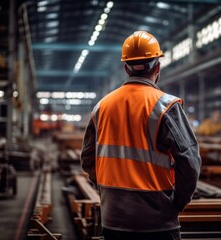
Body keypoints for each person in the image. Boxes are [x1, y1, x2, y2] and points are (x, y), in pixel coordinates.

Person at [81, 30, 201, 240]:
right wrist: (178, 202)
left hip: (113, 219)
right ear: (157, 66)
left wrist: (108, 195)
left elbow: (88, 160)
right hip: (157, 223)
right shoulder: (166, 106)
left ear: (126, 68)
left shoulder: (102, 107)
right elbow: (189, 162)